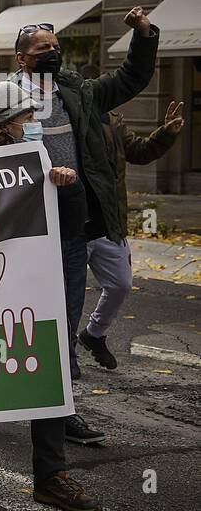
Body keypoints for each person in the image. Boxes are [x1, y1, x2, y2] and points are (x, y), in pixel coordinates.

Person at [0, 6, 159, 395]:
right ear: (21, 58)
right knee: (17, 313)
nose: (52, 51)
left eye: (55, 46)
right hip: (23, 228)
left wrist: (143, 35)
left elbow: (131, 79)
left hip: (71, 222)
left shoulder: (78, 90)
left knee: (66, 311)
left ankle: (62, 393)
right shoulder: (0, 97)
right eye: (42, 47)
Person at [0, 81, 106, 511]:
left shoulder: (41, 163)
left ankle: (50, 476)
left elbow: (73, 227)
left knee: (45, 368)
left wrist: (64, 185)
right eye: (25, 118)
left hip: (34, 287)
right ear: (3, 124)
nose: (34, 125)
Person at [79, 101, 184, 371]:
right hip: (73, 227)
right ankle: (65, 357)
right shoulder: (62, 121)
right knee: (68, 293)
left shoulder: (112, 121)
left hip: (108, 224)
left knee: (120, 284)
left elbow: (139, 150)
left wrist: (166, 132)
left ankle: (94, 334)